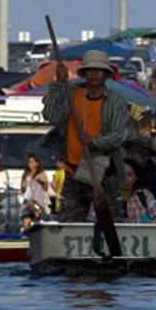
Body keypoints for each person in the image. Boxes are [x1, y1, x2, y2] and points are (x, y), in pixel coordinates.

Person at [40, 49, 130, 222]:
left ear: (105, 74)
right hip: (74, 171)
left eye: (99, 70)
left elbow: (117, 136)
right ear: (84, 73)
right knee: (70, 224)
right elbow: (50, 115)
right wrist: (59, 83)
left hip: (105, 172)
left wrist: (93, 141)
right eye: (90, 70)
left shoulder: (116, 101)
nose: (94, 74)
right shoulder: (72, 93)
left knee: (112, 224)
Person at [91, 158, 156, 224]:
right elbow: (91, 221)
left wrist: (143, 226)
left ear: (135, 178)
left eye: (129, 174)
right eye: (121, 174)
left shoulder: (145, 195)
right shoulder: (102, 197)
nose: (124, 178)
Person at [19, 153, 51, 232]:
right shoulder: (26, 174)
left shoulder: (41, 173)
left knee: (37, 217)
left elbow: (46, 188)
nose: (29, 164)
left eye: (31, 162)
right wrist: (24, 184)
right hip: (28, 201)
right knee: (26, 216)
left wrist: (44, 182)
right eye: (28, 162)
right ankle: (25, 233)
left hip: (37, 202)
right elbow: (22, 190)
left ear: (37, 163)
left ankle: (35, 234)